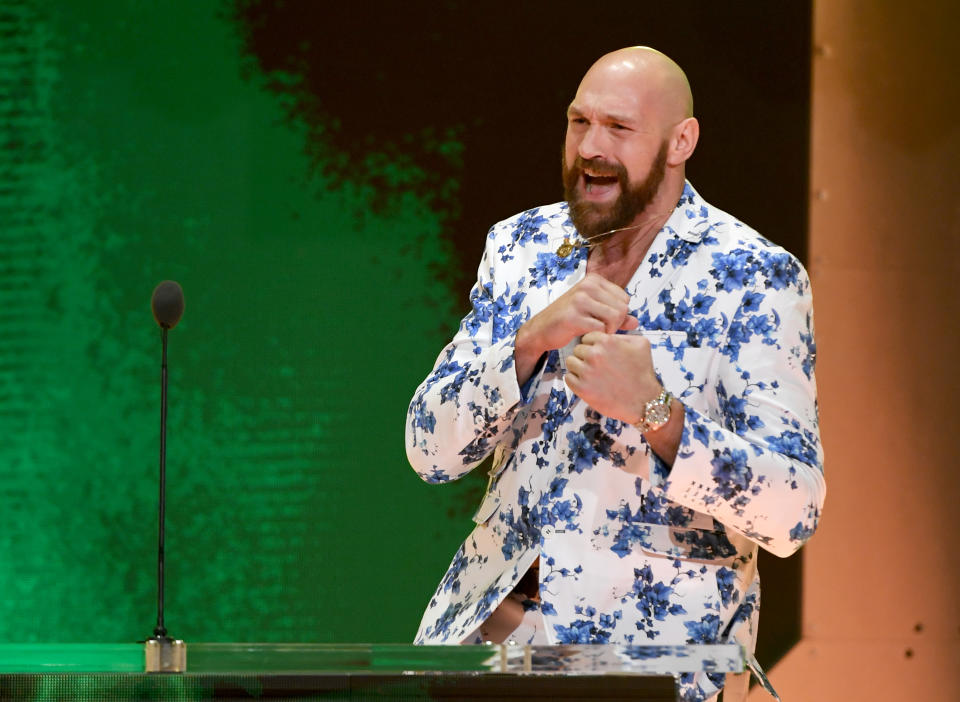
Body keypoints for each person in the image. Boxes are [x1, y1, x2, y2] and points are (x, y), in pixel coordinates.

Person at [405, 46, 824, 702]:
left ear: (681, 140)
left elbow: (792, 510)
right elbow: (428, 449)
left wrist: (656, 412)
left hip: (647, 666)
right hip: (486, 646)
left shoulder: (753, 277)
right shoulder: (522, 248)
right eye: (579, 123)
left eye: (619, 129)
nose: (590, 148)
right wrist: (528, 341)